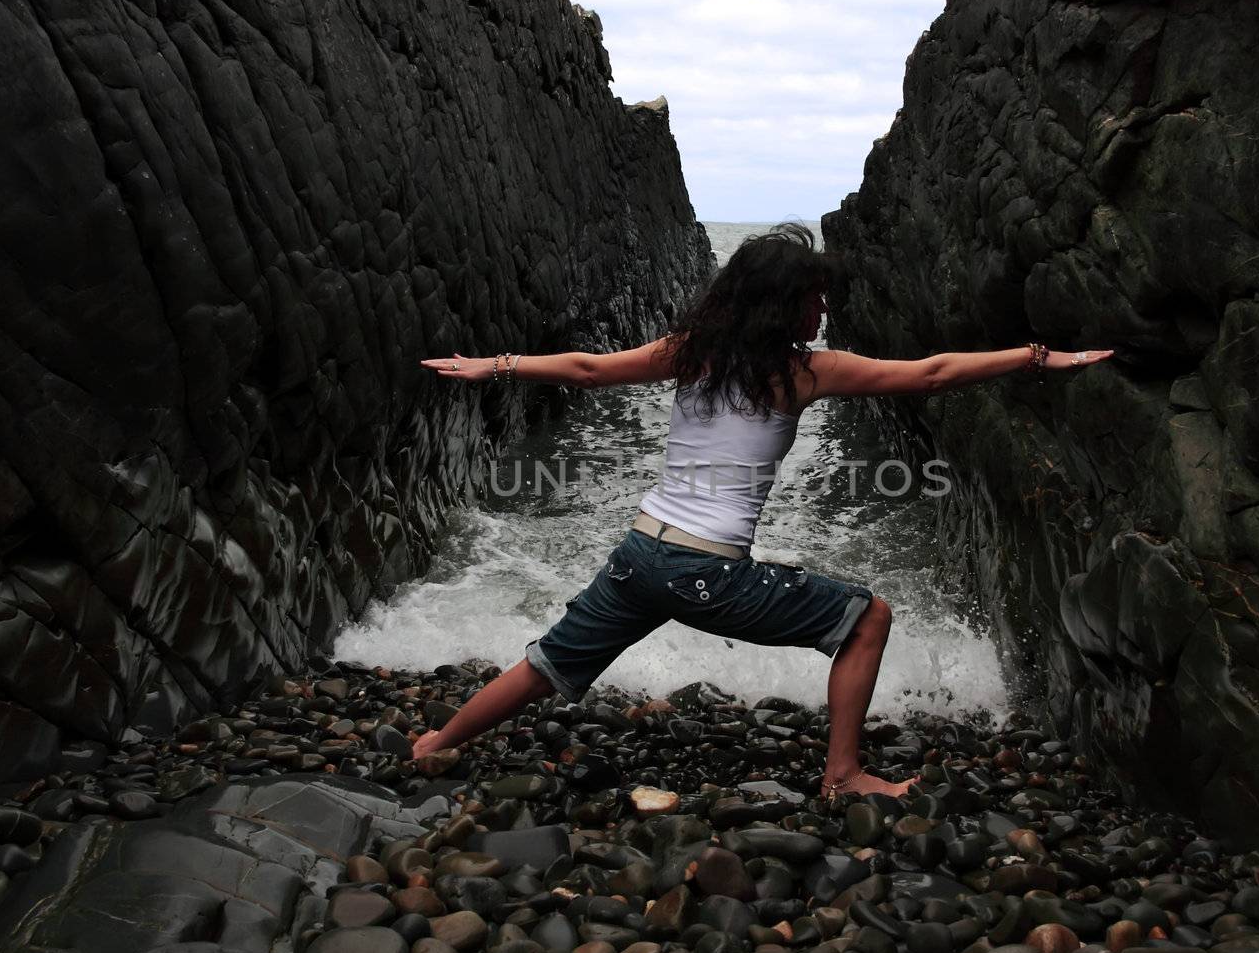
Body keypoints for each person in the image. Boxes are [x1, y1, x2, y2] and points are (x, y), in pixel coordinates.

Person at [410, 222, 1113, 798]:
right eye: (815, 298)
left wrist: (496, 365)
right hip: (705, 572)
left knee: (546, 665)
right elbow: (927, 374)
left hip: (639, 552)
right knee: (868, 618)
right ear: (785, 302)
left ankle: (435, 744)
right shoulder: (805, 371)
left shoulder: (692, 353)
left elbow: (589, 368)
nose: (823, 312)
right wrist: (1034, 355)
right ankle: (844, 773)